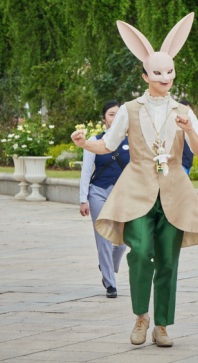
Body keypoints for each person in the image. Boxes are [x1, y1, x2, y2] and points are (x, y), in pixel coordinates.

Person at [71, 13, 198, 348]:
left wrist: (189, 128)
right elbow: (106, 144)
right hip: (136, 188)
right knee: (139, 251)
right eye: (158, 72)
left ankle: (161, 324)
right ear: (145, 74)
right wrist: (83, 144)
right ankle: (140, 316)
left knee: (168, 257)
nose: (165, 77)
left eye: (170, 71)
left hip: (174, 191)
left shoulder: (184, 111)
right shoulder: (130, 109)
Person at [79, 100, 130, 299]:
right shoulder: (94, 140)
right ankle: (110, 283)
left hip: (122, 195)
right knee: (104, 239)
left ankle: (106, 263)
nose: (115, 117)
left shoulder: (131, 141)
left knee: (123, 241)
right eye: (111, 114)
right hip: (98, 192)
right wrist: (83, 199)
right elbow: (85, 172)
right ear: (104, 119)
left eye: (119, 114)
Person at [178, 100, 198, 175]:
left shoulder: (192, 128)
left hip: (188, 163)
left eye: (190, 110)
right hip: (179, 164)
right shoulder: (177, 127)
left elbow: (196, 147)